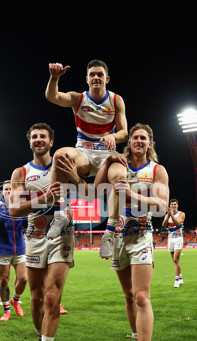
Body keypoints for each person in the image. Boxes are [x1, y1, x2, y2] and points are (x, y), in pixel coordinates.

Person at [93, 123, 169, 341]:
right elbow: (97, 189)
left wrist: (134, 195)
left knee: (140, 296)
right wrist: (107, 161)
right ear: (130, 142)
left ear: (150, 143)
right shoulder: (120, 166)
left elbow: (161, 204)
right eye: (135, 137)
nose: (138, 141)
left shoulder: (156, 170)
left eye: (143, 138)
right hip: (118, 239)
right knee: (128, 296)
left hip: (142, 234)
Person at [8, 123, 74, 341]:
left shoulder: (66, 161)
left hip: (62, 234)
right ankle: (43, 339)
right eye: (34, 137)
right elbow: (14, 209)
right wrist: (45, 196)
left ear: (51, 141)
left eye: (42, 136)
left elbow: (85, 184)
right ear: (30, 142)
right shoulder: (21, 172)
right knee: (35, 298)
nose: (38, 140)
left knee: (50, 296)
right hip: (35, 237)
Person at [44, 60, 127, 246]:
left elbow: (124, 132)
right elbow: (53, 97)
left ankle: (110, 232)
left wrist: (114, 136)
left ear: (107, 79)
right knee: (59, 155)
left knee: (121, 177)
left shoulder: (116, 100)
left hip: (107, 156)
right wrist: (54, 78)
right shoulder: (78, 99)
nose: (96, 77)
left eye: (99, 74)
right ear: (87, 79)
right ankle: (61, 214)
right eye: (92, 75)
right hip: (84, 154)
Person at [0, 180, 28, 321]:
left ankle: (15, 300)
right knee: (4, 280)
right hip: (3, 249)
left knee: (23, 278)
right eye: (6, 189)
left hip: (19, 248)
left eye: (11, 189)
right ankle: (6, 310)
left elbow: (26, 222)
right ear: (2, 191)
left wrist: (22, 210)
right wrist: (10, 209)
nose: (8, 191)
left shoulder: (20, 206)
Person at [162, 199, 185, 288]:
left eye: (175, 204)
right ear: (170, 206)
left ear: (177, 205)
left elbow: (178, 224)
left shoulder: (181, 214)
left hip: (178, 238)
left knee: (176, 259)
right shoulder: (167, 215)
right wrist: (168, 216)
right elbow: (164, 225)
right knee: (175, 261)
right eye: (172, 204)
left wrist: (171, 215)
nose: (173, 206)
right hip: (170, 238)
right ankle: (180, 277)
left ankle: (176, 280)